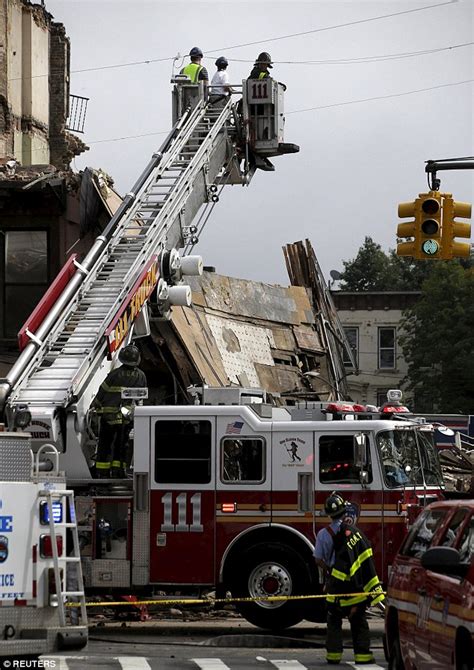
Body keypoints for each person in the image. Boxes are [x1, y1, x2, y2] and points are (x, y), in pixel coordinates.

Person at [314, 493, 384, 665]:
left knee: (333, 621)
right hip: (354, 586)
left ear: (329, 515)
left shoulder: (323, 534)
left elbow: (317, 559)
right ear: (344, 512)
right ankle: (363, 656)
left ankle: (333, 656)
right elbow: (364, 559)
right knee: (358, 621)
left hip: (335, 586)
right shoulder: (355, 533)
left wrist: (331, 570)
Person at [92, 344, 147, 479]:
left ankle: (102, 472)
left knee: (105, 444)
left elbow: (102, 391)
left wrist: (96, 406)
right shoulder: (141, 376)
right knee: (121, 446)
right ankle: (118, 472)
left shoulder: (114, 375)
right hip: (125, 418)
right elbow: (140, 399)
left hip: (108, 417)